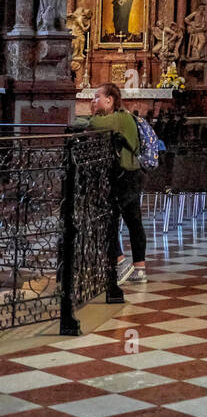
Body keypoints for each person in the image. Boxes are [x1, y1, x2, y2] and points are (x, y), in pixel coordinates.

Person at [78, 83, 147, 284]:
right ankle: (139, 268)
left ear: (110, 100)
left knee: (109, 218)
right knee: (130, 220)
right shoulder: (118, 118)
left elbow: (95, 125)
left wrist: (90, 117)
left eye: (97, 97)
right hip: (128, 175)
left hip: (125, 177)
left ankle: (120, 261)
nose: (93, 101)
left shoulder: (120, 118)